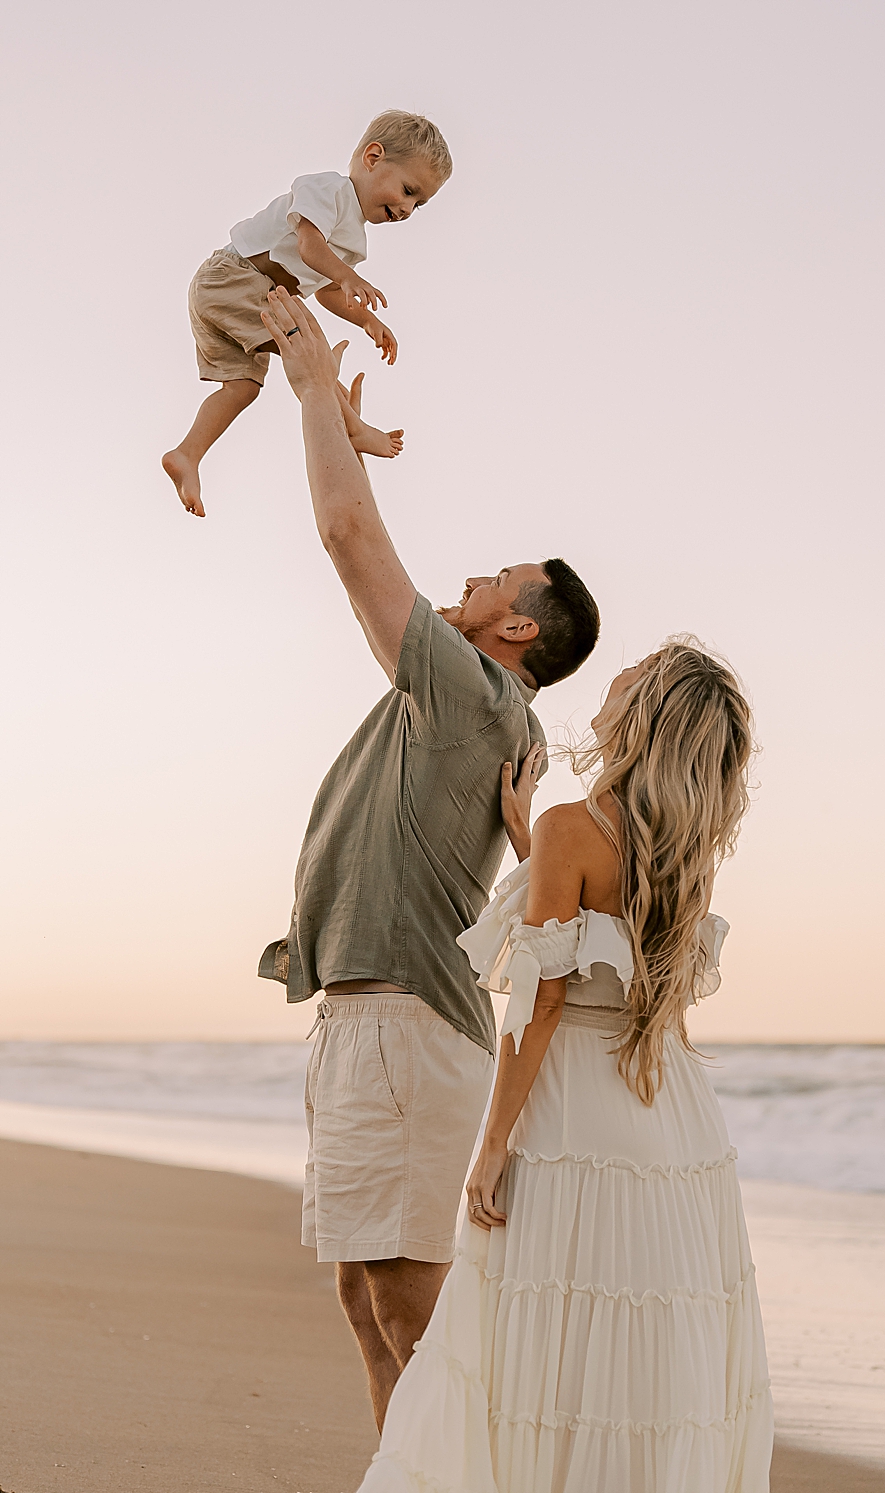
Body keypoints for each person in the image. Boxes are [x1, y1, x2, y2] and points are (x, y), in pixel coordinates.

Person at [251, 285, 603, 1431]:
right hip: (364, 1019)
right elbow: (375, 540)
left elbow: (352, 541)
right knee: (366, 1298)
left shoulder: (480, 697)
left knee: (413, 1309)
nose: (468, 585)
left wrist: (308, 389)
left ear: (516, 630)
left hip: (404, 1023)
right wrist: (345, 439)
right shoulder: (469, 698)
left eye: (492, 583)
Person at [358, 641, 774, 1493]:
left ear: (644, 709)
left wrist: (494, 1139)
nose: (618, 670)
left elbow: (542, 1005)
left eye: (638, 668)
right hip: (671, 1121)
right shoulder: (681, 848)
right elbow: (614, 963)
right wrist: (533, 852)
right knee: (641, 1353)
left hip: (574, 1110)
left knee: (539, 1334)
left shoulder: (572, 829)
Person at [162, 110, 450, 517]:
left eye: (418, 204)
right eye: (408, 190)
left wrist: (366, 319)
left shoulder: (354, 240)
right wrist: (348, 274)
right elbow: (309, 246)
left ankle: (186, 454)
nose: (406, 208)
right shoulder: (329, 190)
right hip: (236, 279)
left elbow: (329, 290)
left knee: (243, 388)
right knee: (312, 357)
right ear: (372, 158)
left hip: (245, 295)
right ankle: (353, 426)